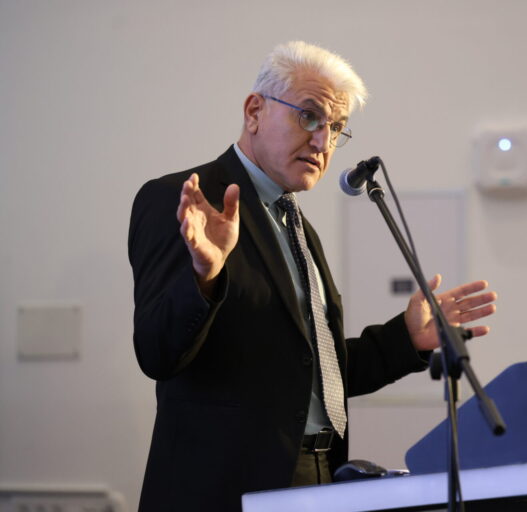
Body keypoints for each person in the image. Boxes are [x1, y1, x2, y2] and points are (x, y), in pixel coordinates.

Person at [128, 41, 497, 512]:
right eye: (309, 117)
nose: (323, 142)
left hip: (320, 475)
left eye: (336, 127)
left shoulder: (297, 226)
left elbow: (312, 372)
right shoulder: (184, 201)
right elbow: (157, 353)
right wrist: (204, 275)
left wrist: (405, 339)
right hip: (225, 488)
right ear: (254, 111)